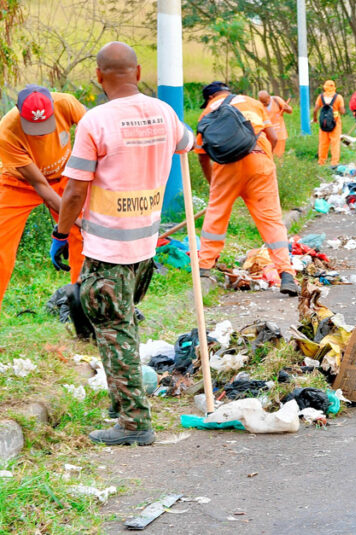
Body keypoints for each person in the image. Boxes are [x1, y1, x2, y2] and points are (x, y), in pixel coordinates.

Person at [54, 41, 194, 445]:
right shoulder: (164, 112)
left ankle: (134, 423)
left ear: (98, 77)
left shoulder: (95, 122)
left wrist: (61, 234)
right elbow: (187, 143)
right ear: (136, 73)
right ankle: (122, 401)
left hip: (108, 250)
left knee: (115, 331)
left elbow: (75, 191)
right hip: (146, 246)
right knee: (122, 322)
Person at [194, 82, 299, 297]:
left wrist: (213, 182)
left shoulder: (207, 112)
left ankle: (204, 266)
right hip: (259, 160)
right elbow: (275, 137)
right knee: (271, 220)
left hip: (226, 167)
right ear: (227, 91)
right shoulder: (252, 102)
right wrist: (267, 163)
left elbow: (202, 154)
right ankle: (286, 274)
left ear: (210, 97)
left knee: (217, 213)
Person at [0, 85, 87, 316]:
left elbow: (96, 131)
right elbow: (41, 187)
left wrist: (76, 225)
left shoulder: (66, 103)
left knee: (83, 237)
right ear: (18, 111)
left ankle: (83, 305)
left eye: (44, 125)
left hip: (65, 174)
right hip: (19, 184)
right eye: (33, 127)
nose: (40, 133)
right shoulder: (6, 132)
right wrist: (73, 222)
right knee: (1, 246)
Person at [313, 80, 344, 166]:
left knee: (323, 142)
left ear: (324, 87)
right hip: (335, 122)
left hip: (324, 123)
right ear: (334, 87)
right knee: (335, 142)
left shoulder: (320, 97)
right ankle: (334, 163)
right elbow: (342, 111)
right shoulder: (338, 97)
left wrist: (315, 119)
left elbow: (315, 110)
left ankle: (321, 161)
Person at [258, 90, 292, 158]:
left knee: (278, 155)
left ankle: (279, 166)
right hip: (267, 135)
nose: (264, 103)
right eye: (262, 102)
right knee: (268, 155)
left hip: (279, 133)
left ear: (269, 97)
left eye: (265, 101)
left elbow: (290, 111)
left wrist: (287, 108)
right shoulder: (258, 105)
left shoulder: (277, 100)